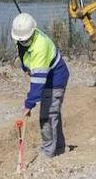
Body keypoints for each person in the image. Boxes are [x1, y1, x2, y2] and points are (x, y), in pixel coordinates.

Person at [10, 13, 69, 158]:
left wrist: (29, 104)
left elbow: (38, 81)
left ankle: (48, 152)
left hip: (54, 80)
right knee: (53, 113)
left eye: (25, 39)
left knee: (47, 116)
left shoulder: (40, 46)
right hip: (46, 76)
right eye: (20, 40)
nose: (23, 42)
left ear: (32, 32)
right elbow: (24, 55)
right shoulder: (20, 37)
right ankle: (59, 147)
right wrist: (26, 68)